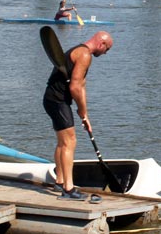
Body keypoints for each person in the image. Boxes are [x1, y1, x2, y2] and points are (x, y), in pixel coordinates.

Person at [43, 31, 113, 200]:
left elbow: (81, 85)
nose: (105, 53)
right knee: (69, 142)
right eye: (107, 49)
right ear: (101, 43)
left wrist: (84, 114)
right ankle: (68, 189)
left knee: (62, 142)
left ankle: (60, 181)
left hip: (53, 100)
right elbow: (74, 88)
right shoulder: (84, 55)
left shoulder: (78, 51)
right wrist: (81, 110)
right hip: (58, 101)